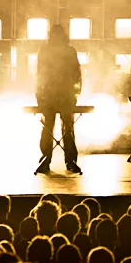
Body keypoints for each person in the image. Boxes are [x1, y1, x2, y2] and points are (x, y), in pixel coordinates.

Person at [36, 24, 82, 174]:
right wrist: (76, 93)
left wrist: (39, 94)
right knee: (65, 129)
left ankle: (47, 159)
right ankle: (69, 161)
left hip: (52, 95)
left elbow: (39, 75)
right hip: (62, 95)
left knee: (50, 128)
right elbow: (77, 74)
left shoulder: (46, 51)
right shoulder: (69, 51)